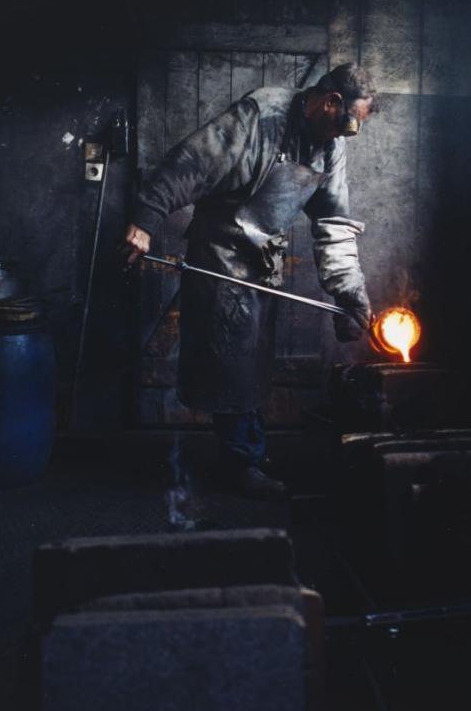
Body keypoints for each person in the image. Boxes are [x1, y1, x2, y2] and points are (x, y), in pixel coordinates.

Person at [124, 63, 379, 498]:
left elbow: (333, 222)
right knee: (234, 363)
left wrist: (349, 292)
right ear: (329, 101)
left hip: (261, 261)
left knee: (251, 363)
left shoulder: (328, 145)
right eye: (345, 124)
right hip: (222, 255)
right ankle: (241, 461)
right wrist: (147, 217)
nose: (343, 136)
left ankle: (247, 452)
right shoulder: (260, 117)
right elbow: (192, 161)